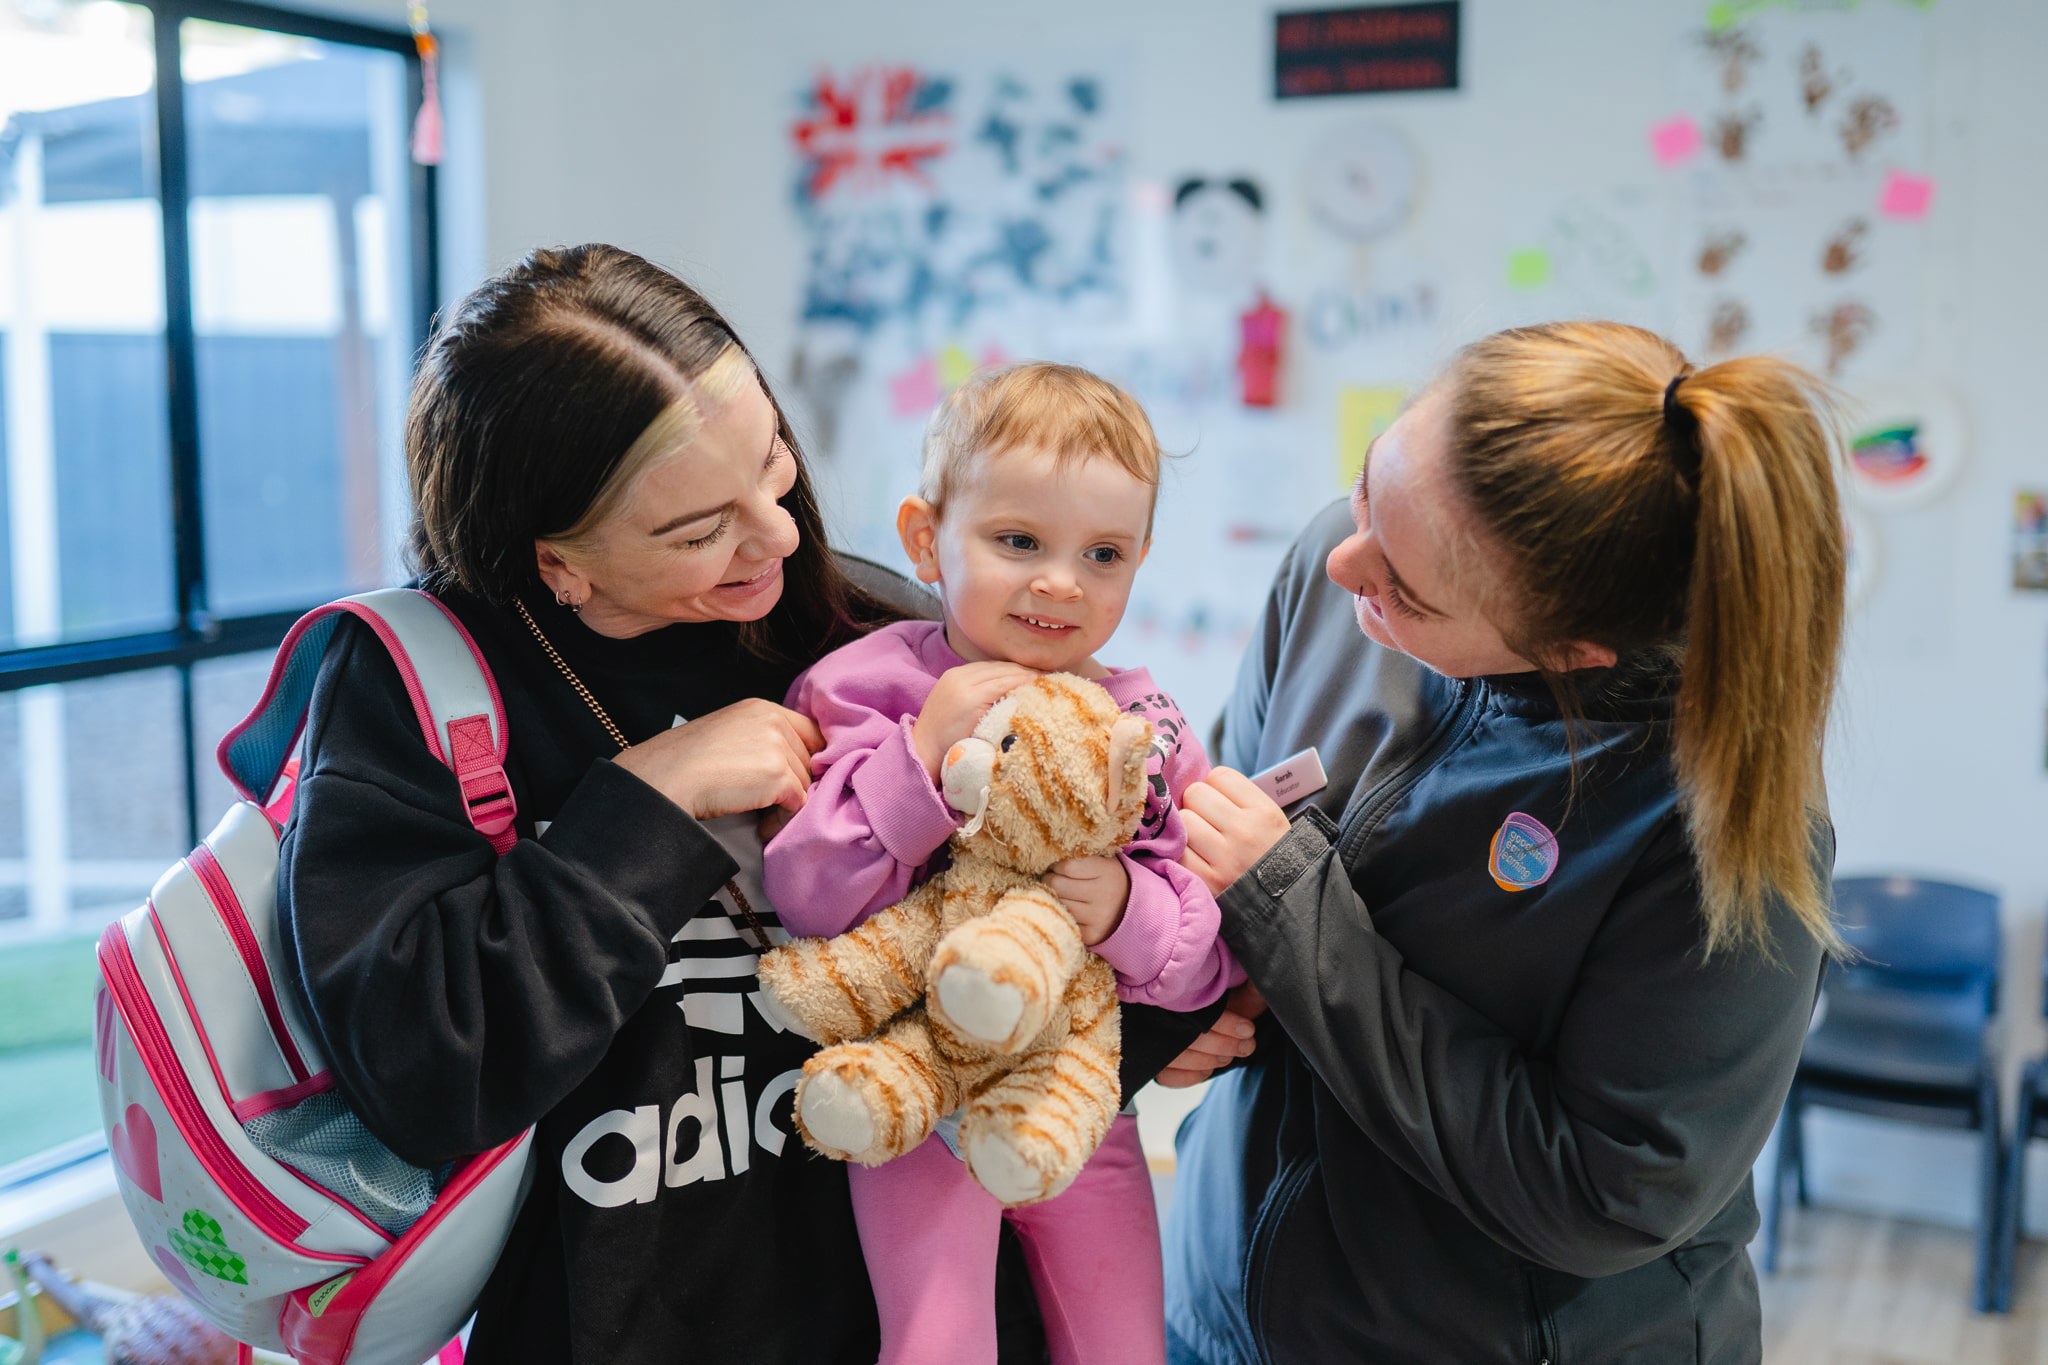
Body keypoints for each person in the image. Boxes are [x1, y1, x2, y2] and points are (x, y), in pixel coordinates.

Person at [275, 246, 1205, 1363]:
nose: (777, 536)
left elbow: (1064, 899)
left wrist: (1182, 1001)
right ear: (558, 560)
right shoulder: (422, 688)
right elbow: (426, 1075)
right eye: (698, 529)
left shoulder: (870, 630)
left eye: (772, 466)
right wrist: (647, 803)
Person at [1155, 322, 1846, 1364]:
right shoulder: (1336, 570)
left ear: (1572, 648)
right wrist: (1185, 1000)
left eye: (1406, 590)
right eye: (1364, 490)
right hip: (1219, 1302)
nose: (1343, 562)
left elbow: (1602, 1193)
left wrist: (1292, 917)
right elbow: (1210, 861)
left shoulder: (1720, 825)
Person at [762, 363, 1240, 1365]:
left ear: (1139, 562)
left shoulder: (1142, 727)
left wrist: (1127, 909)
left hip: (1079, 1099)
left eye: (1102, 554)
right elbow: (806, 893)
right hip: (924, 1092)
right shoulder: (866, 686)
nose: (1061, 582)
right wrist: (921, 753)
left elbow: (1205, 966)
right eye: (1018, 541)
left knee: (1123, 1349)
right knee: (935, 1344)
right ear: (925, 538)